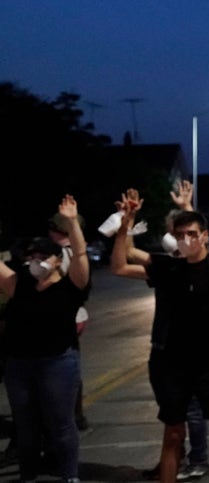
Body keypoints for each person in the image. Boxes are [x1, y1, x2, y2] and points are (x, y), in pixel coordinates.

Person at [111, 184, 209, 483]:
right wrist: (125, 224)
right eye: (180, 235)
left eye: (192, 234)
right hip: (172, 365)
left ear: (205, 236)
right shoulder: (168, 267)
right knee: (173, 433)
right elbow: (120, 264)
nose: (186, 240)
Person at [1, 196, 89, 483]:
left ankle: (69, 476)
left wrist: (73, 223)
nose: (36, 261)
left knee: (61, 425)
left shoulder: (70, 286)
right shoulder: (20, 285)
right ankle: (28, 477)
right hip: (19, 365)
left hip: (57, 362)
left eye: (43, 256)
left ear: (56, 259)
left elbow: (81, 256)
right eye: (31, 256)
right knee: (25, 427)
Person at [47, 211, 91, 434]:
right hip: (77, 316)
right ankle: (77, 414)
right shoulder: (74, 251)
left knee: (61, 366)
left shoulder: (62, 253)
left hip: (66, 317)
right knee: (70, 366)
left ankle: (70, 413)